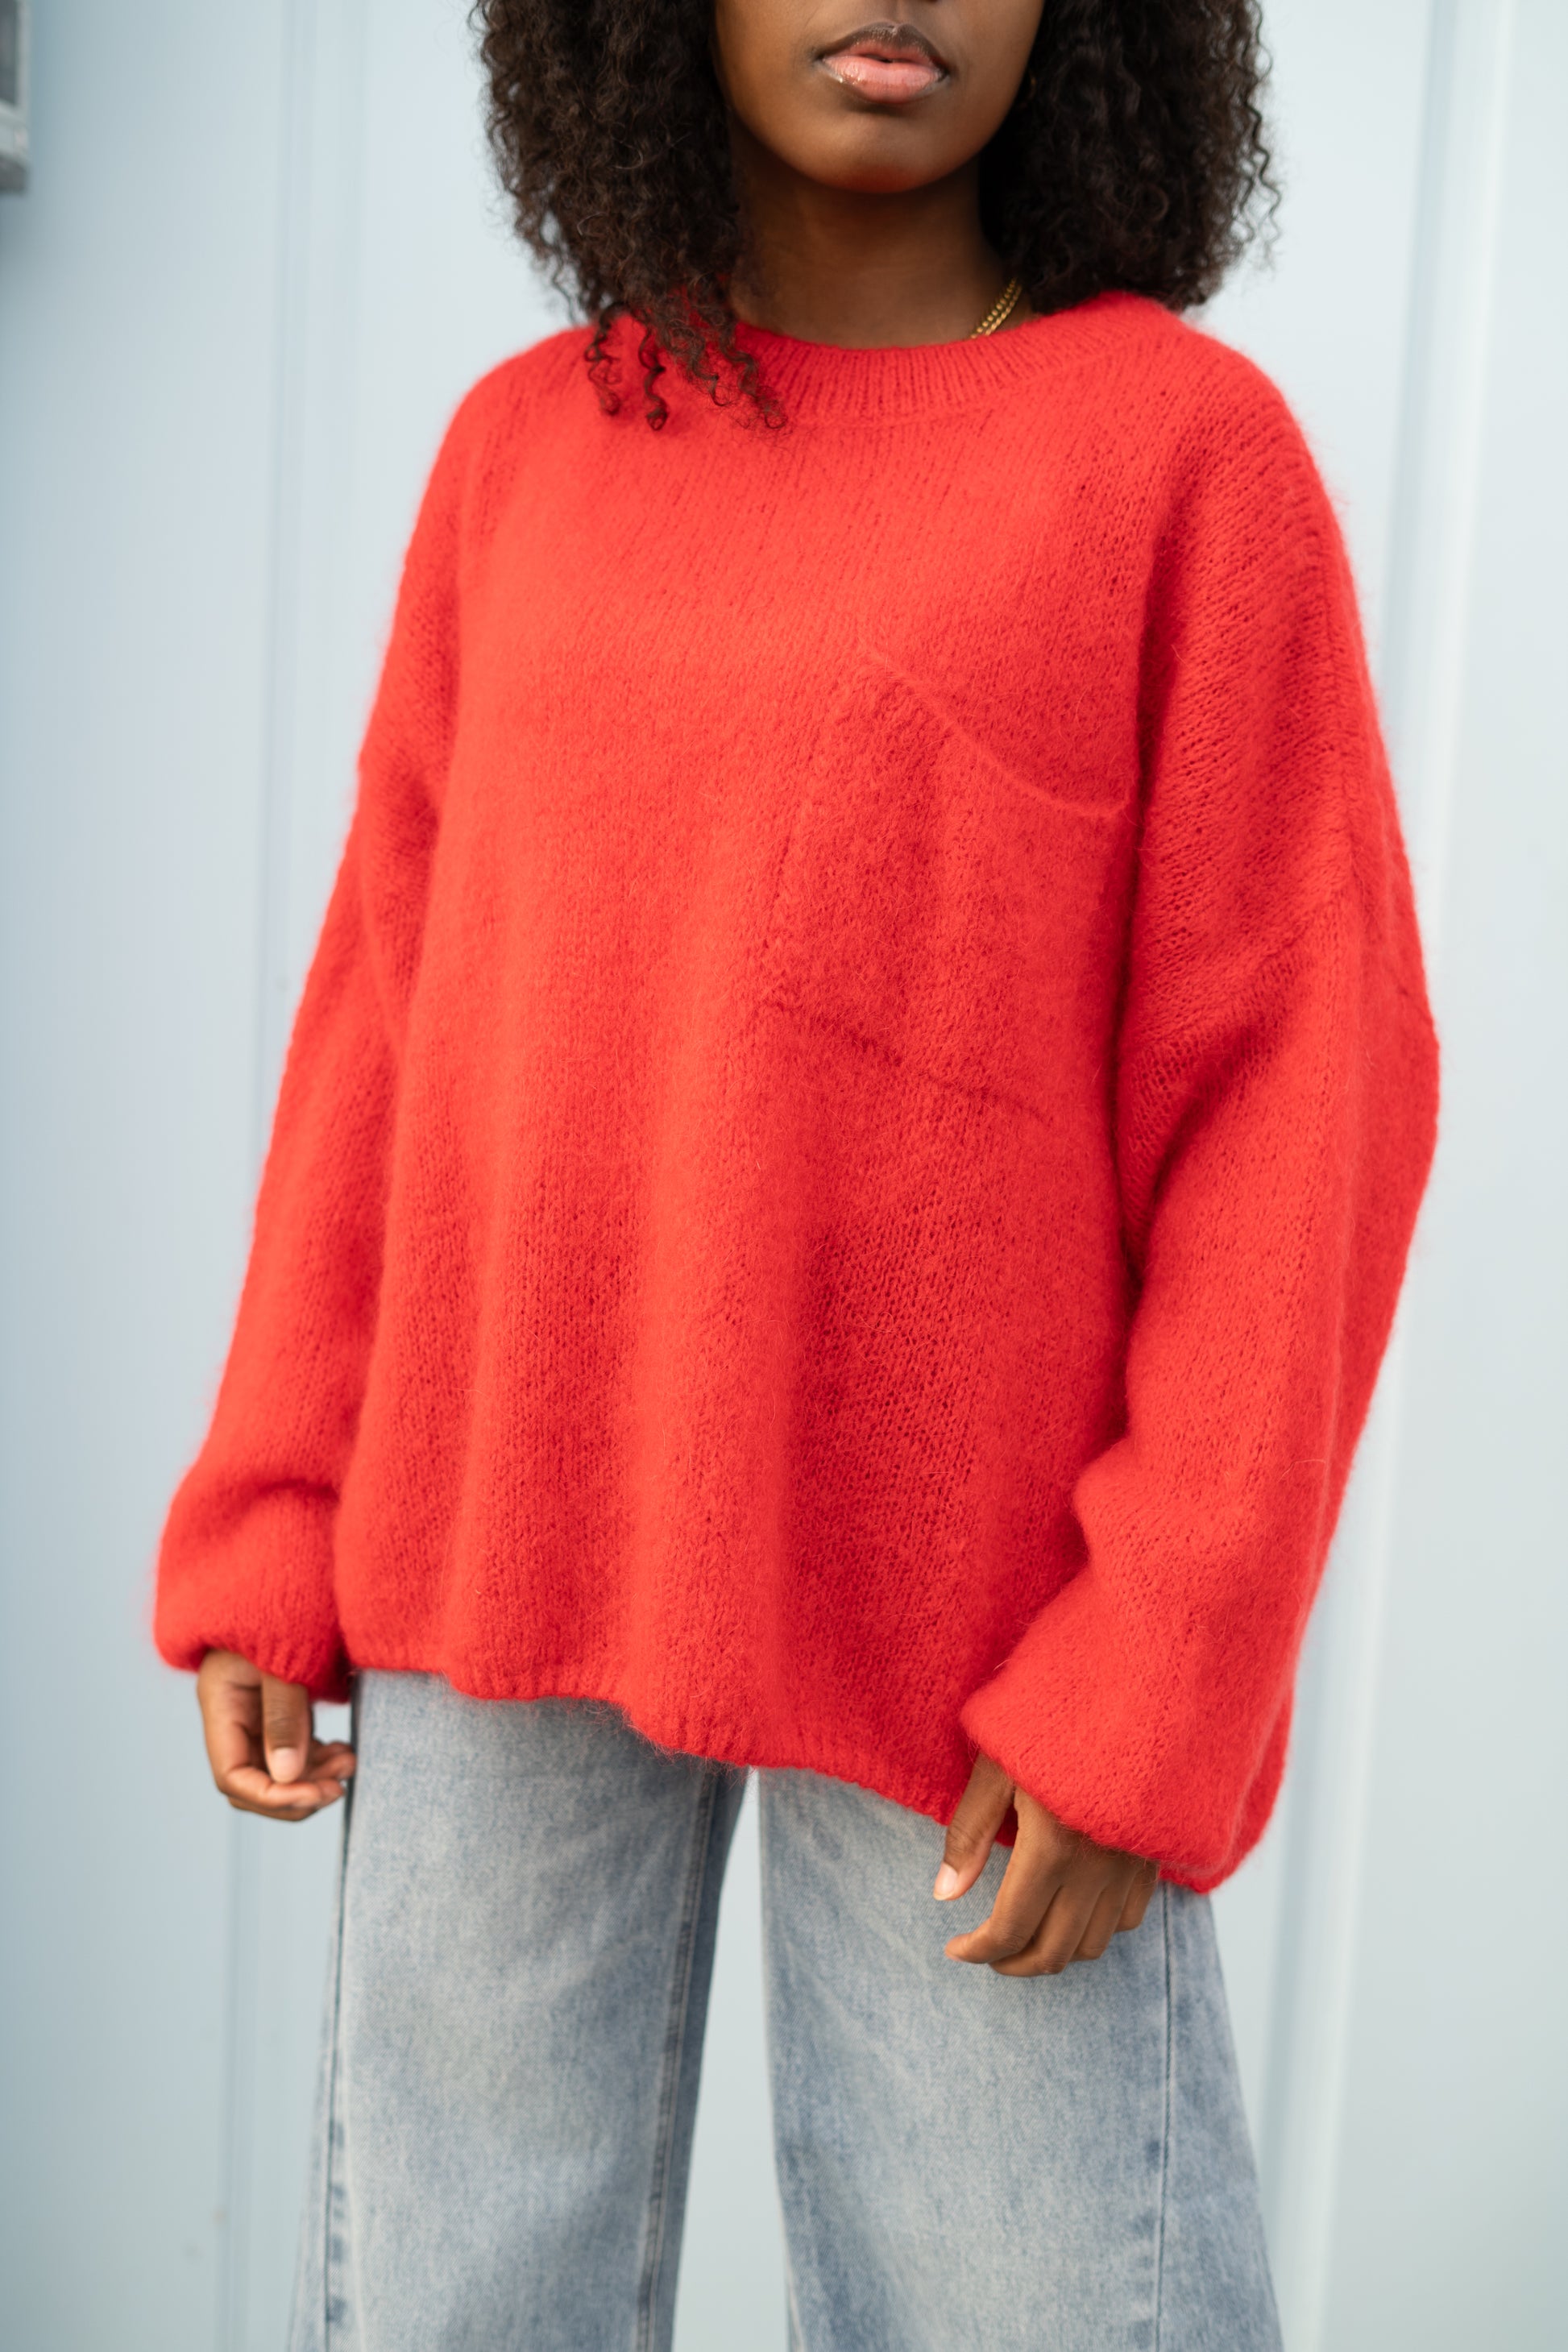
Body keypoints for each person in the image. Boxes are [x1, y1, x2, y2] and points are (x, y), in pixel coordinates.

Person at [156, 2, 1438, 2345]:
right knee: (453, 2301)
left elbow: (1302, 1097)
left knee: (1041, 2298)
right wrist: (273, 1500)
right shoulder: (522, 454)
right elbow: (387, 1018)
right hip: (495, 1531)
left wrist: (1158, 1669)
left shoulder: (1178, 459)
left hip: (975, 1619)